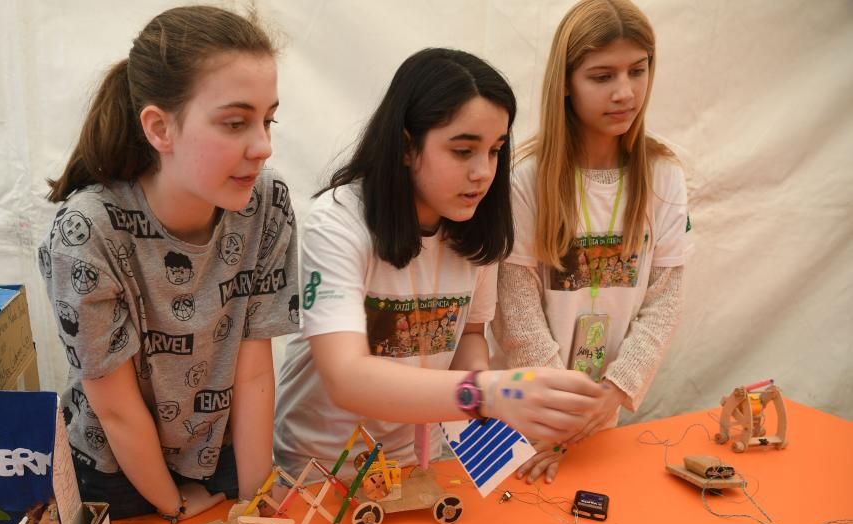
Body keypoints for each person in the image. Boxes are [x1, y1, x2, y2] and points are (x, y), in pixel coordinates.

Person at [274, 48, 603, 474]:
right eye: (463, 151)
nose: (483, 172)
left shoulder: (475, 228)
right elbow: (346, 377)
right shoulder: (337, 223)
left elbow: (467, 336)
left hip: (411, 470)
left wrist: (495, 447)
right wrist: (489, 392)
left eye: (495, 150)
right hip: (317, 476)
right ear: (407, 147)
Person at [38, 6, 298, 520]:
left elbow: (252, 372)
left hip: (222, 456)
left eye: (268, 119)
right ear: (160, 127)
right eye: (235, 122)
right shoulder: (85, 232)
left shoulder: (267, 205)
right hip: (119, 473)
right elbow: (114, 406)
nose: (264, 146)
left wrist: (255, 502)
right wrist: (175, 506)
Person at [491, 0, 691, 484]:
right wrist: (561, 408)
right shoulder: (525, 176)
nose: (625, 92)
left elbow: (666, 300)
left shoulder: (664, 175)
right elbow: (513, 306)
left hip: (602, 419)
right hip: (522, 418)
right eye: (602, 76)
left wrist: (613, 392)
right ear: (565, 81)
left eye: (637, 71)